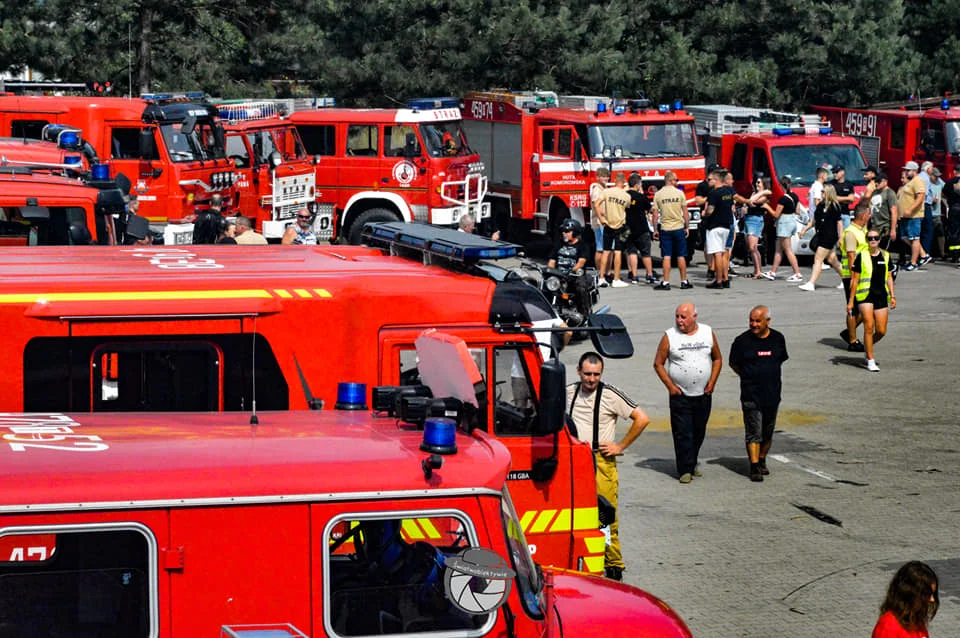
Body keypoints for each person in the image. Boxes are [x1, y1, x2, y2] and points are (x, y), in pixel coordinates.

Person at [566, 352, 650, 581]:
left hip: (600, 461)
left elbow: (642, 418)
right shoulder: (569, 392)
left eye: (596, 374)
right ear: (579, 372)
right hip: (573, 462)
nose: (591, 379)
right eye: (587, 374)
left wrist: (620, 445)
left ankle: (613, 565)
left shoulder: (610, 394)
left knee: (605, 515)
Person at [653, 303, 722, 484]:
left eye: (683, 317)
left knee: (699, 431)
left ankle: (692, 462)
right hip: (680, 395)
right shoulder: (670, 336)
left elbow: (717, 358)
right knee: (683, 432)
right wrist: (671, 387)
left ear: (694, 317)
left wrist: (712, 382)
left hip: (703, 393)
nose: (679, 321)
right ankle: (684, 469)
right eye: (677, 316)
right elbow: (658, 364)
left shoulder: (707, 333)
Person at [729, 306, 788, 482]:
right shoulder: (741, 341)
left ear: (767, 321)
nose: (753, 324)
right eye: (751, 320)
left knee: (767, 432)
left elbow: (780, 360)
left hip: (772, 394)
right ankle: (754, 465)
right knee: (754, 431)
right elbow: (734, 364)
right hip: (751, 394)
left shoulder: (778, 339)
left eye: (757, 321)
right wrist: (748, 376)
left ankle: (762, 458)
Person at [848, 228, 896, 371]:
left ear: (880, 240)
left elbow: (889, 277)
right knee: (869, 326)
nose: (873, 240)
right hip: (865, 295)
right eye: (870, 238)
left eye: (875, 238)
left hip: (881, 294)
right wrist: (851, 301)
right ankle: (870, 359)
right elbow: (855, 280)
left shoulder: (886, 256)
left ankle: (867, 346)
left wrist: (892, 296)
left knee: (881, 331)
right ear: (866, 241)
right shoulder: (861, 256)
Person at [872, 561, 938, 638]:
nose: (932, 599)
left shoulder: (915, 619)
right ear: (910, 594)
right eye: (927, 594)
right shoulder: (889, 627)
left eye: (933, 594)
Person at [652, 171, 693, 290]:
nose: (677, 182)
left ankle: (665, 282)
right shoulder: (680, 193)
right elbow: (685, 212)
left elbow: (655, 214)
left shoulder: (659, 194)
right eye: (676, 180)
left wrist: (655, 229)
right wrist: (687, 226)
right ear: (670, 180)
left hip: (665, 228)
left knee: (666, 256)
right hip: (678, 227)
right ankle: (684, 281)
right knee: (681, 255)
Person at [798, 184, 844, 290]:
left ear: (828, 193)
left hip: (829, 236)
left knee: (818, 259)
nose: (821, 193)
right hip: (821, 234)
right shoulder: (820, 206)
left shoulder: (835, 207)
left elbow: (840, 223)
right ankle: (846, 278)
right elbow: (813, 221)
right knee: (833, 260)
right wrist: (804, 230)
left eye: (823, 191)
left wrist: (841, 237)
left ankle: (811, 283)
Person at [840, 200, 871, 351]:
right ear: (864, 215)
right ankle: (852, 340)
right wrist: (854, 278)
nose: (870, 217)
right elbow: (851, 256)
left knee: (866, 306)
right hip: (852, 276)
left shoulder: (862, 230)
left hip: (864, 274)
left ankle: (849, 331)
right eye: (869, 214)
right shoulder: (851, 233)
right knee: (854, 309)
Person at [760, 176, 803, 282]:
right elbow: (798, 211)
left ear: (781, 185)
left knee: (788, 250)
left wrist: (767, 207)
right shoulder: (794, 196)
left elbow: (776, 214)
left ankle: (797, 273)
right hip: (792, 221)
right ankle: (773, 272)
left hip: (784, 223)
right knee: (778, 249)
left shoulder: (783, 199)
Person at [702, 169, 735, 288]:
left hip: (715, 226)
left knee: (717, 254)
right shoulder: (728, 192)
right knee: (722, 253)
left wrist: (704, 214)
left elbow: (710, 210)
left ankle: (719, 280)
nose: (708, 181)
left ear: (716, 180)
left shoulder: (714, 193)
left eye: (710, 179)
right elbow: (732, 207)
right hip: (726, 225)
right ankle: (725, 279)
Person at [624, 173, 658, 284]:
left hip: (628, 228)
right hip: (641, 228)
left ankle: (634, 276)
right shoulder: (641, 197)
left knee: (632, 252)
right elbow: (650, 209)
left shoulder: (625, 196)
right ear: (638, 185)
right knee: (645, 253)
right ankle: (649, 274)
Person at [598, 172, 631, 288]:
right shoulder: (626, 196)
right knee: (618, 252)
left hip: (608, 224)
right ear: (624, 182)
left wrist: (601, 218)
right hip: (620, 225)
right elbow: (627, 207)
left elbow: (597, 203)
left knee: (606, 251)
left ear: (615, 181)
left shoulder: (607, 192)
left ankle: (601, 277)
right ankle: (616, 279)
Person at [898, 161, 931, 271]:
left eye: (908, 170)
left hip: (914, 215)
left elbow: (920, 197)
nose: (906, 172)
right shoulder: (911, 182)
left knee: (914, 238)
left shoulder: (918, 181)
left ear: (914, 171)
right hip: (904, 216)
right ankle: (923, 254)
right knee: (904, 237)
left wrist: (910, 209)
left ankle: (913, 262)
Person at [742, 176, 772, 279]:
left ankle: (758, 271)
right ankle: (756, 270)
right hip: (748, 219)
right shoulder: (755, 193)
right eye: (756, 182)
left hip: (756, 220)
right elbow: (748, 202)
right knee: (751, 248)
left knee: (752, 247)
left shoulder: (765, 195)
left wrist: (763, 192)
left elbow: (752, 201)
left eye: (759, 182)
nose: (757, 184)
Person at [869, 171, 900, 252]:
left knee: (883, 251)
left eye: (878, 182)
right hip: (874, 226)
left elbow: (894, 212)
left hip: (884, 227)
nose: (876, 184)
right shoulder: (875, 192)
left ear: (885, 182)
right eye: (875, 181)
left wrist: (893, 230)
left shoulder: (890, 193)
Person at [590, 167, 610, 275]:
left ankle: (606, 272)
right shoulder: (596, 190)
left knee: (605, 249)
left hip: (604, 222)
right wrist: (602, 217)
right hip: (599, 222)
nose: (605, 178)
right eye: (603, 176)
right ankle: (599, 272)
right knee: (600, 249)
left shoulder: (604, 189)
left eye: (607, 176)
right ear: (597, 177)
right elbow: (596, 205)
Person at [829, 164, 858, 229]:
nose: (834, 174)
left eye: (836, 172)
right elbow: (830, 198)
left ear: (843, 172)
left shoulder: (849, 184)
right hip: (833, 214)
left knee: (845, 235)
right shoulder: (830, 184)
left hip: (845, 214)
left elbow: (851, 199)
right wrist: (846, 199)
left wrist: (836, 198)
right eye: (833, 172)